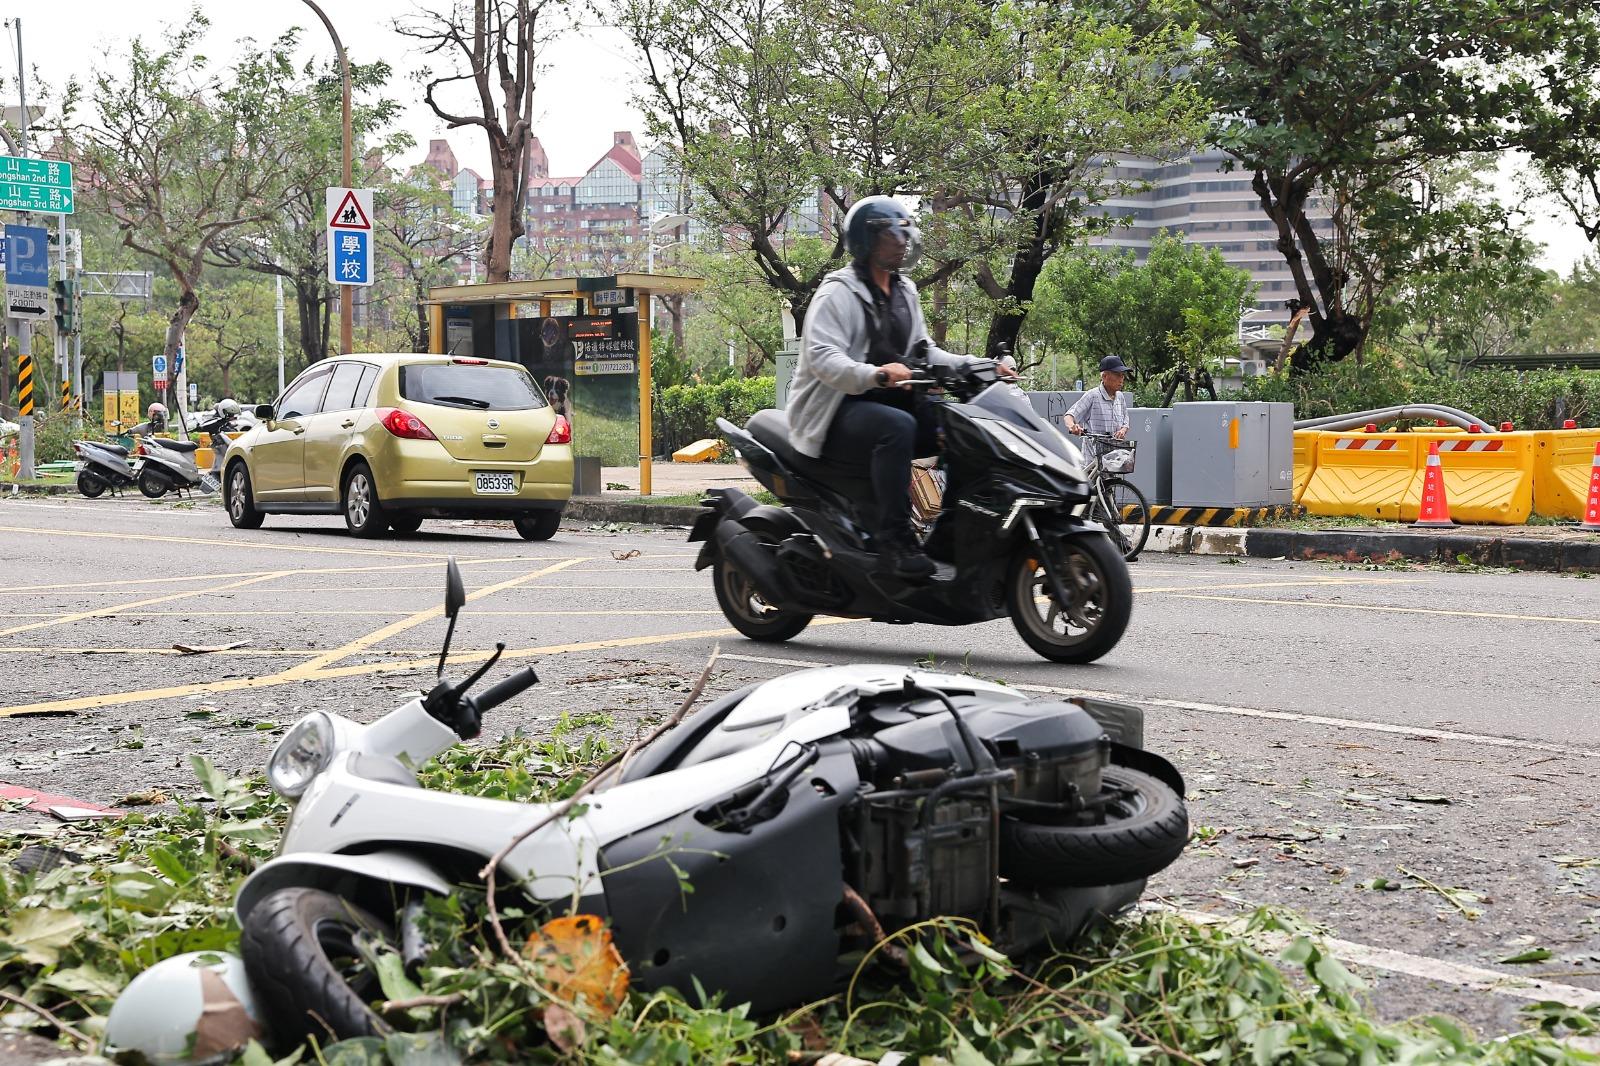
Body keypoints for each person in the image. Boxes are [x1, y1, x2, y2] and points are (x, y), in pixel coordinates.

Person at [787, 195, 1016, 579]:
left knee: (962, 430)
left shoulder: (905, 291)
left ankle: (948, 532)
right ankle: (894, 542)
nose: (903, 242)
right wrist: (876, 374)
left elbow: (925, 352)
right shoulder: (837, 292)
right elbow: (823, 359)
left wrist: (982, 366)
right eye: (895, 234)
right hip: (834, 411)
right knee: (897, 427)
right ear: (868, 240)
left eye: (905, 233)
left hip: (887, 401)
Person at [1065, 356, 1131, 457]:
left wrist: (1122, 431)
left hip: (1114, 460)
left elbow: (1126, 422)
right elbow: (1069, 415)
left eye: (1122, 376)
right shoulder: (1092, 395)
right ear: (1104, 376)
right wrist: (1073, 427)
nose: (1121, 379)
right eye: (1117, 375)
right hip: (1093, 461)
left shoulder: (1120, 397)